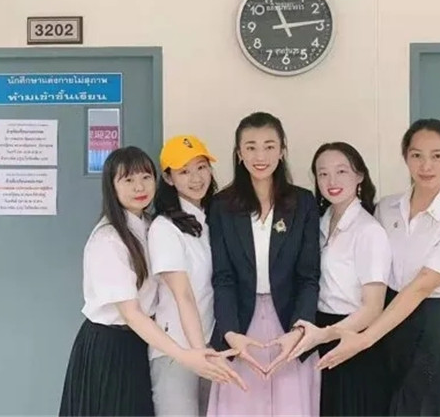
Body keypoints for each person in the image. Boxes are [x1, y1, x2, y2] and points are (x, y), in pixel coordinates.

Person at [317, 119, 440, 415]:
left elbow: (421, 287)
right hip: (390, 333)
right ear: (406, 157)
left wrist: (364, 339)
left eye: (437, 156)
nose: (426, 165)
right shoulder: (386, 208)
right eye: (416, 155)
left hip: (437, 335)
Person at [59, 146, 238, 417]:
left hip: (138, 342)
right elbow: (131, 314)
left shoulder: (149, 224)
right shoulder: (108, 239)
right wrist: (184, 354)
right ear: (111, 186)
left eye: (145, 177)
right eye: (128, 180)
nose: (139, 187)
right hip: (110, 346)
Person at [206, 112, 321, 416]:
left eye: (270, 146)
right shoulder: (222, 205)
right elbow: (223, 277)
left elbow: (308, 276)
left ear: (282, 151)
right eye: (251, 147)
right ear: (239, 154)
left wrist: (300, 329)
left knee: (291, 405)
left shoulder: (303, 202)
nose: (261, 156)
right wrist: (230, 333)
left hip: (290, 321)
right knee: (241, 402)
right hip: (241, 321)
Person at [287, 142, 392, 416]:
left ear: (360, 176)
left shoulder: (369, 231)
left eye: (342, 171)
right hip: (319, 335)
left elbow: (373, 307)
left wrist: (328, 334)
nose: (332, 181)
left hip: (353, 339)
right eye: (323, 174)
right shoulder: (318, 223)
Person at [148, 135, 245, 416]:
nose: (196, 178)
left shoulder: (211, 219)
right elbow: (183, 295)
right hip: (178, 350)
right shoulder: (165, 228)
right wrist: (199, 352)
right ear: (168, 178)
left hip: (210, 347)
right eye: (184, 171)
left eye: (201, 167)